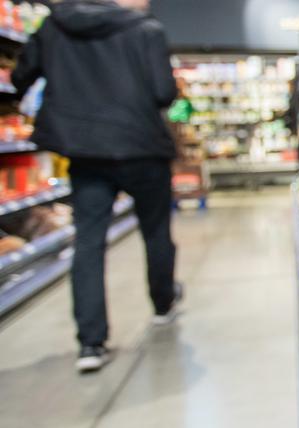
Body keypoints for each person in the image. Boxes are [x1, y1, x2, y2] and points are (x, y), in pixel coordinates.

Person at [12, 0, 181, 373]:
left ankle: (91, 343)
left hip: (85, 150)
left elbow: (20, 75)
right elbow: (163, 92)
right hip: (141, 146)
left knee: (88, 243)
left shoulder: (54, 26)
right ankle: (163, 303)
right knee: (156, 230)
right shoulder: (145, 29)